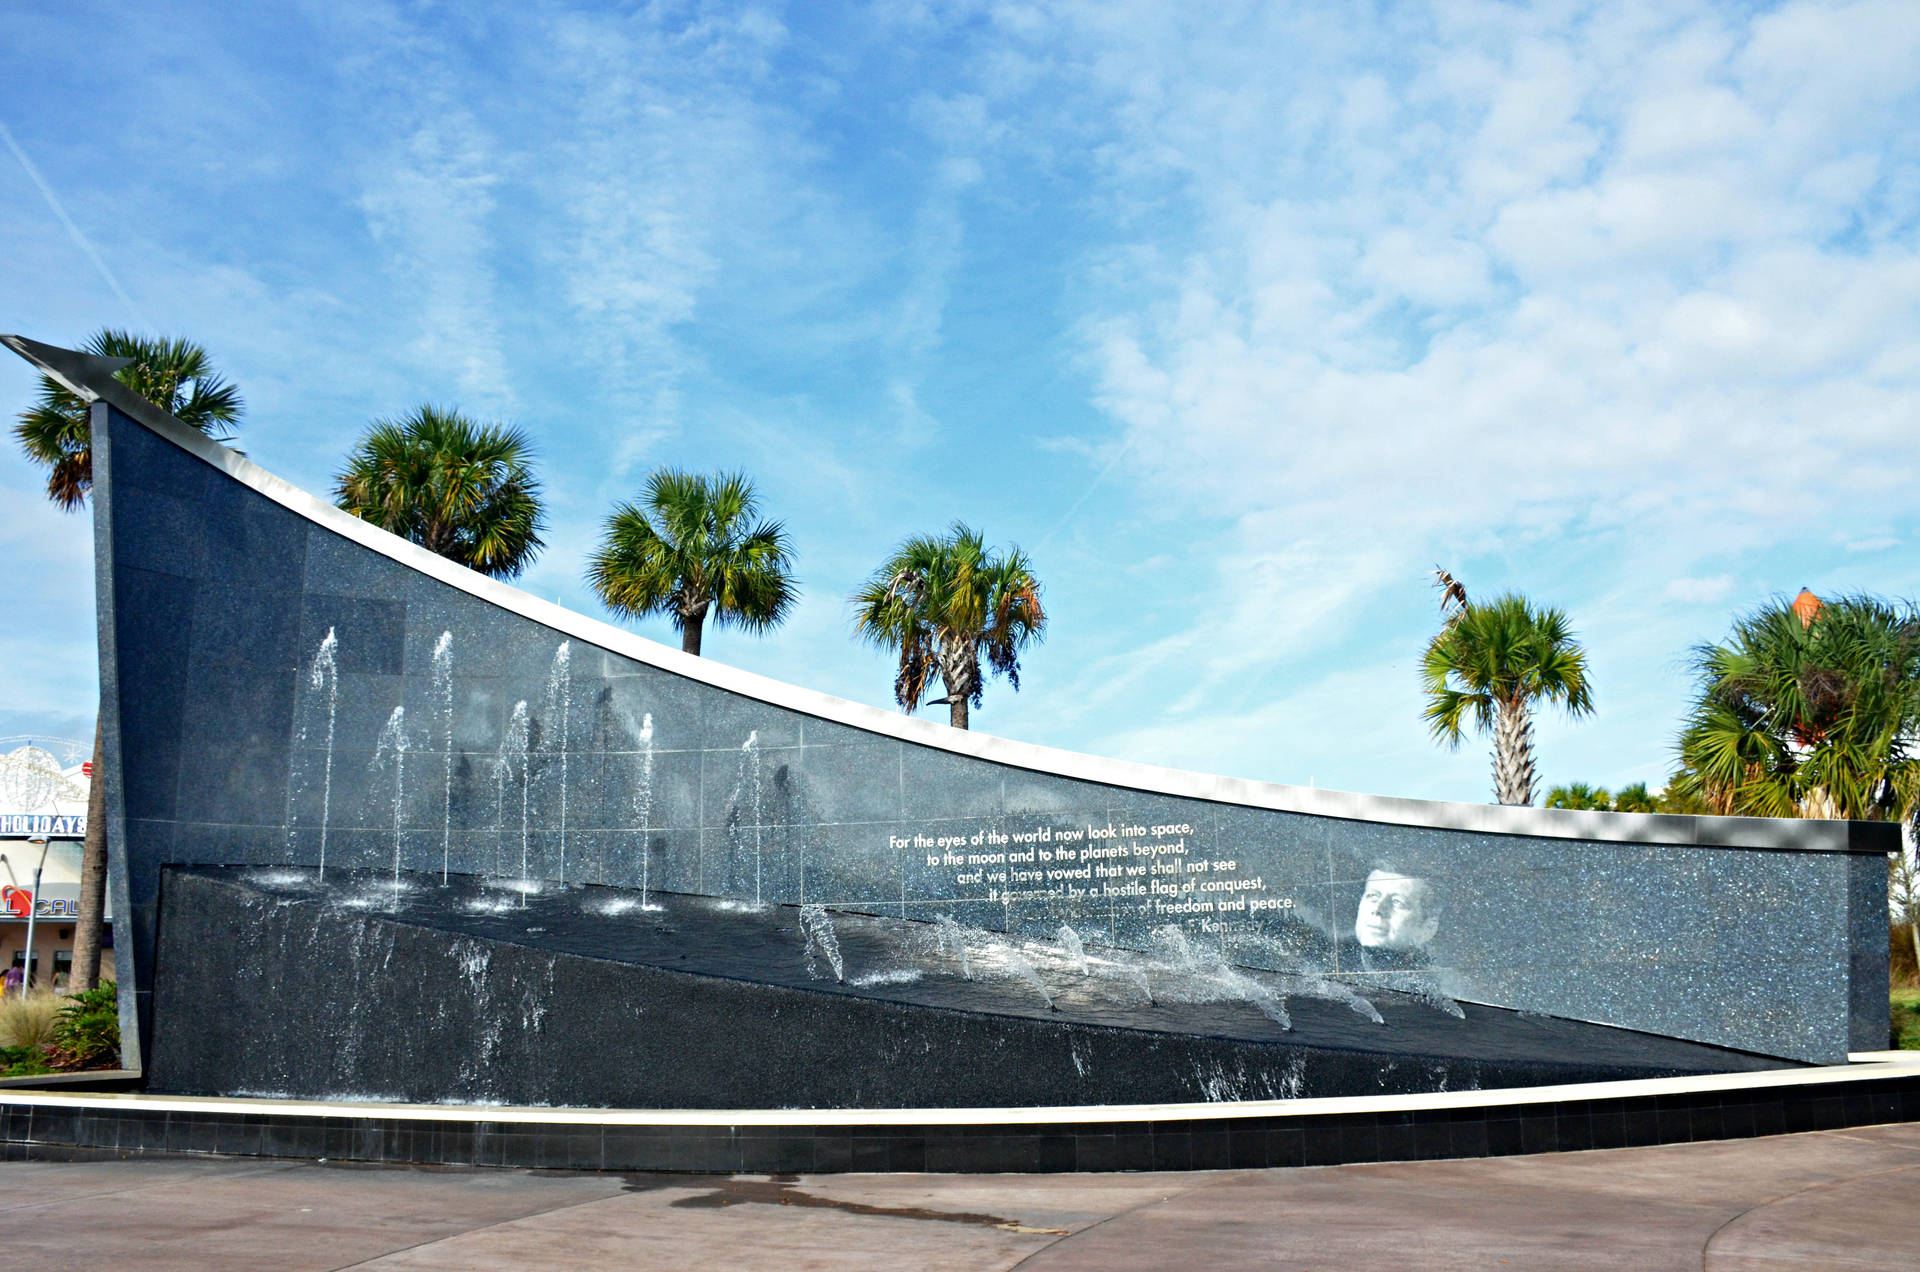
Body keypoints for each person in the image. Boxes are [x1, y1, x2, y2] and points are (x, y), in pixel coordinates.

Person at [1351, 869, 1440, 970]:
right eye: (1372, 896)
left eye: (1397, 902)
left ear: (1428, 928)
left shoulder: (1447, 981)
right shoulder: (1334, 961)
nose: (1377, 909)